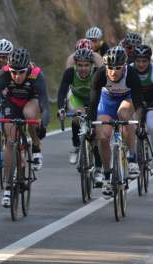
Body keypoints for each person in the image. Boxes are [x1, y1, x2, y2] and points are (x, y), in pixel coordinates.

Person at [0, 48, 50, 207]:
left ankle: (36, 147)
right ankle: (8, 187)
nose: (17, 76)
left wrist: (43, 122)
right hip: (12, 103)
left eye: (21, 72)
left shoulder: (36, 74)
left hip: (31, 100)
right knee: (10, 141)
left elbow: (45, 104)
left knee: (29, 114)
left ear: (27, 69)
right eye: (13, 72)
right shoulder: (2, 74)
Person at [88, 46, 145, 198]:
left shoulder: (131, 74)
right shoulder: (100, 74)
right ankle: (107, 177)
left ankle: (132, 159)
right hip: (106, 103)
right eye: (110, 68)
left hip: (127, 100)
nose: (113, 72)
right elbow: (93, 104)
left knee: (124, 115)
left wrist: (141, 123)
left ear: (125, 66)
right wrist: (90, 124)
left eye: (118, 68)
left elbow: (139, 103)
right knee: (103, 136)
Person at [58, 48, 104, 184]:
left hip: (93, 101)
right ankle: (77, 145)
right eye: (80, 65)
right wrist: (61, 108)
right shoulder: (69, 73)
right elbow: (61, 92)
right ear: (75, 65)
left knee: (94, 134)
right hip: (76, 98)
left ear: (91, 65)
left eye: (86, 65)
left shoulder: (97, 73)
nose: (83, 68)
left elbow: (103, 94)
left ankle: (99, 168)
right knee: (77, 116)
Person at [131, 45, 153, 175]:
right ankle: (131, 158)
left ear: (149, 61)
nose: (141, 64)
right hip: (135, 101)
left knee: (151, 125)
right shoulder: (129, 70)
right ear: (134, 61)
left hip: (152, 101)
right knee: (130, 126)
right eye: (138, 61)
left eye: (144, 61)